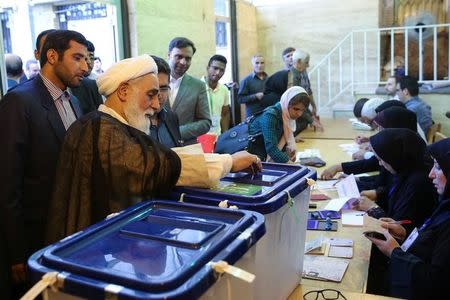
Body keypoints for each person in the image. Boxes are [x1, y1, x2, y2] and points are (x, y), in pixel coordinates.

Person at [45, 54, 262, 244]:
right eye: (150, 95)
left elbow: (156, 158)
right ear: (123, 91)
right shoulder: (104, 131)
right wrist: (229, 162)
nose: (157, 105)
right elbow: (156, 166)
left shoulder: (108, 126)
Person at [0, 29, 88, 297]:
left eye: (87, 59)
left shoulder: (74, 101)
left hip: (66, 235)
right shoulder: (19, 101)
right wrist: (16, 252)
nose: (85, 67)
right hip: (32, 239)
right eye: (77, 58)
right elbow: (7, 183)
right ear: (52, 56)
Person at [366, 138, 450, 299]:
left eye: (439, 167)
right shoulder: (445, 204)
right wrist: (403, 234)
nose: (431, 174)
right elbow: (432, 240)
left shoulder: (418, 184)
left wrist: (394, 252)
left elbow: (435, 281)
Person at [352, 128, 437, 229]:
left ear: (394, 157)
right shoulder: (405, 169)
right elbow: (396, 193)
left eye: (381, 159)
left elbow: (400, 228)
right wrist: (377, 194)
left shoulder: (418, 182)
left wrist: (373, 208)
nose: (380, 164)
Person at [262, 49, 323, 138]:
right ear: (298, 62)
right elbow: (296, 103)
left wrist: (313, 108)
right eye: (306, 62)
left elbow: (308, 91)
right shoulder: (292, 76)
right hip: (286, 114)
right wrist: (311, 119)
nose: (308, 65)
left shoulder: (303, 71)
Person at [248, 86, 310, 163]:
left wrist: (288, 153)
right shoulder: (271, 116)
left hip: (261, 159)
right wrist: (290, 163)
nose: (299, 114)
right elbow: (271, 149)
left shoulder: (287, 118)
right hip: (250, 160)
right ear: (287, 103)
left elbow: (279, 142)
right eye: (296, 109)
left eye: (302, 110)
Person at [167, 37, 211, 144]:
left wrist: (177, 132)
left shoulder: (198, 86)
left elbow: (205, 122)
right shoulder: (154, 82)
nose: (183, 62)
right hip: (156, 148)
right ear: (168, 55)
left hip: (186, 147)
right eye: (179, 56)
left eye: (188, 58)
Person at [149, 55, 183, 148]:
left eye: (163, 88)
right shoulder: (129, 123)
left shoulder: (171, 117)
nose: (159, 94)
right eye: (153, 89)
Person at [71, 40, 103, 115]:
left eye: (91, 58)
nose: (88, 62)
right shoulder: (71, 82)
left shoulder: (99, 80)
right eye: (84, 58)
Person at [202, 54, 230, 135]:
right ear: (208, 68)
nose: (218, 73)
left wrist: (225, 135)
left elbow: (225, 114)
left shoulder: (224, 89)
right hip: (200, 138)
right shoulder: (197, 87)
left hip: (217, 136)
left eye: (222, 70)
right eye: (215, 68)